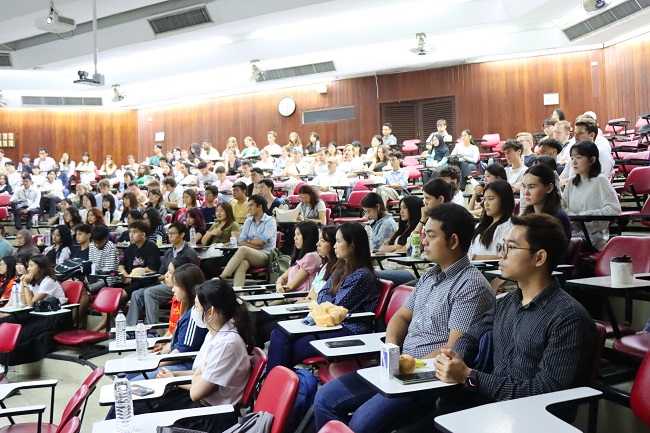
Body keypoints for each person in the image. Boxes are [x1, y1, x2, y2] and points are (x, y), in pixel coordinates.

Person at [314, 205, 494, 433]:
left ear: (453, 240)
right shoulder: (430, 275)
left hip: (427, 380)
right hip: (399, 369)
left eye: (430, 236)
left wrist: (408, 366)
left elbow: (454, 349)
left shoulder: (471, 287)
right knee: (325, 398)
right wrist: (391, 350)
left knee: (360, 423)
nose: (423, 241)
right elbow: (401, 316)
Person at [433, 213, 596, 417]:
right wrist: (455, 358)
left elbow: (545, 391)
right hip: (491, 408)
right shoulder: (507, 302)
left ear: (539, 258)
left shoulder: (568, 318)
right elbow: (471, 336)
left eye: (511, 247)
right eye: (502, 246)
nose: (501, 255)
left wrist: (469, 376)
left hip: (532, 419)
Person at [133, 279, 254, 433]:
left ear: (211, 312)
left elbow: (196, 393)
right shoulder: (213, 333)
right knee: (142, 406)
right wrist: (174, 375)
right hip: (204, 405)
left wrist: (179, 379)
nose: (193, 312)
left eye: (196, 306)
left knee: (151, 423)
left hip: (213, 416)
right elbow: (198, 372)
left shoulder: (227, 344)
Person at [266, 222, 380, 371]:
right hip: (329, 323)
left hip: (350, 329)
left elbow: (336, 305)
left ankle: (277, 380)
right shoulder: (341, 268)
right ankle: (275, 380)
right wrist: (326, 301)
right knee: (279, 334)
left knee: (292, 347)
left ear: (352, 246)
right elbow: (322, 294)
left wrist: (326, 301)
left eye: (338, 242)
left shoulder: (362, 276)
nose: (334, 246)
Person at [126, 222, 199, 326]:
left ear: (182, 235)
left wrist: (169, 278)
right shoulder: (168, 253)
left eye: (173, 233)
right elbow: (161, 272)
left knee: (150, 293)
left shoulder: (189, 252)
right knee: (136, 294)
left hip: (181, 285)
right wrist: (158, 277)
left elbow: (190, 274)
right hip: (166, 283)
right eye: (168, 233)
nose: (170, 236)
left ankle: (152, 328)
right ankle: (130, 327)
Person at [562, 141, 621, 251]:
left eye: (579, 157)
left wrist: (583, 217)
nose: (573, 162)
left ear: (592, 160)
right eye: (572, 158)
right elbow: (562, 206)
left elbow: (614, 209)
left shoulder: (600, 180)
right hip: (572, 232)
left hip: (593, 237)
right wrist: (574, 217)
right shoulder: (571, 182)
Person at [219, 194, 277, 286]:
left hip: (266, 255)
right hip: (250, 254)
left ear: (259, 207)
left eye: (251, 205)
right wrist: (254, 245)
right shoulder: (248, 221)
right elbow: (241, 241)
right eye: (248, 205)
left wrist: (248, 243)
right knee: (243, 263)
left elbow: (261, 242)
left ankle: (222, 277)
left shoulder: (270, 221)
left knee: (243, 249)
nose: (248, 208)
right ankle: (238, 293)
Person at [521, 164, 571, 239]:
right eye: (524, 186)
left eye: (531, 187)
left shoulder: (559, 218)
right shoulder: (527, 215)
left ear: (549, 188)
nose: (526, 192)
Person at [117, 220, 162, 304]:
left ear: (143, 234)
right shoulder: (130, 248)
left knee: (119, 296)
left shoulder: (151, 247)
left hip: (144, 282)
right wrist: (125, 275)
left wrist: (134, 273)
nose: (131, 235)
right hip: (130, 281)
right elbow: (121, 265)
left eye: (134, 232)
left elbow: (152, 269)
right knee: (110, 292)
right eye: (130, 232)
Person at [469, 180, 514, 260]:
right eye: (485, 199)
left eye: (490, 199)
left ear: (504, 200)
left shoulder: (509, 227)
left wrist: (474, 257)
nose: (486, 204)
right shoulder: (480, 225)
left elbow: (504, 257)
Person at [275, 221, 322, 294]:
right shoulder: (301, 257)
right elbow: (282, 278)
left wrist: (279, 289)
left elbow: (291, 287)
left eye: (298, 234)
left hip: (299, 298)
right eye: (295, 234)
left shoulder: (312, 257)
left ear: (308, 237)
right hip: (289, 296)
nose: (295, 238)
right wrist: (279, 285)